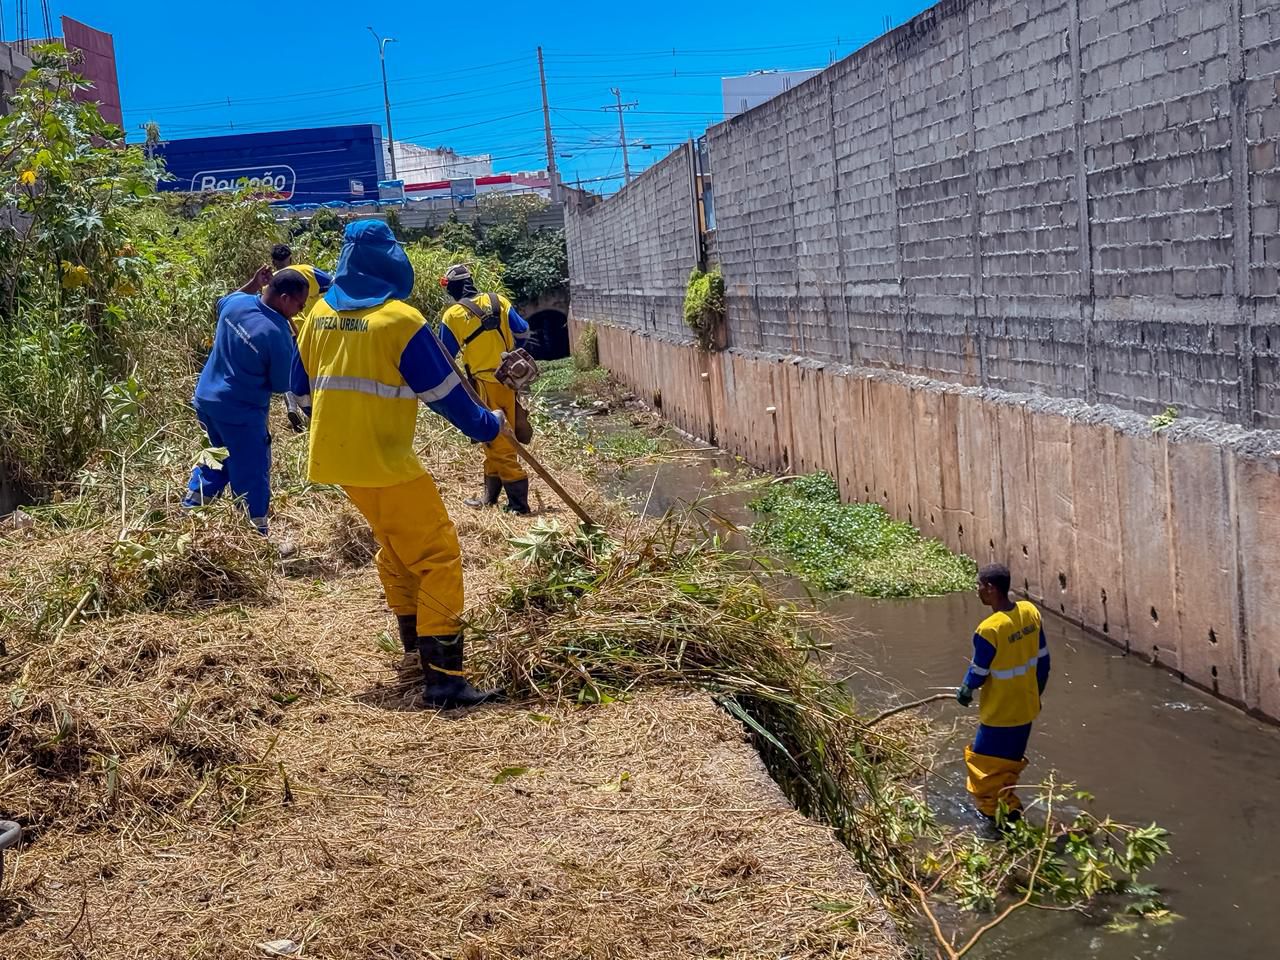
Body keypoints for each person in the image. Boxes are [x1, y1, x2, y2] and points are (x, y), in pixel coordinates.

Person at [289, 221, 504, 709]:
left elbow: (299, 391)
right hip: (385, 460)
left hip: (336, 458)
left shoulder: (319, 313)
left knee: (395, 546)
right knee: (439, 557)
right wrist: (488, 426)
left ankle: (414, 651)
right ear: (393, 262)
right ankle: (445, 680)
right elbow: (444, 393)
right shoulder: (400, 320)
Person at [183, 268, 310, 535]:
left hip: (206, 400)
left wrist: (253, 283)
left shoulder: (237, 302)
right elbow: (281, 385)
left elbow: (223, 302)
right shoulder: (277, 333)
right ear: (285, 299)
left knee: (217, 457)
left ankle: (190, 512)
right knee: (251, 472)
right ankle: (254, 539)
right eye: (299, 304)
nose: (299, 311)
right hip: (240, 412)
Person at [956, 563, 1050, 823]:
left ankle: (996, 825)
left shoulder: (989, 629)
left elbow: (978, 672)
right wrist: (1035, 695)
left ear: (990, 588)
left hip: (999, 715)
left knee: (984, 773)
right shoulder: (1030, 612)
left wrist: (965, 689)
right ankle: (1012, 815)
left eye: (979, 586)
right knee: (1008, 770)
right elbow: (1044, 662)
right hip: (1026, 711)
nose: (977, 591)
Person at [438, 263, 532, 514]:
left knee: (498, 442)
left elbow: (444, 355)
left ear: (453, 288)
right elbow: (522, 330)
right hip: (510, 380)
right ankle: (489, 498)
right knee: (492, 439)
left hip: (483, 384)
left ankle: (518, 504)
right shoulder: (497, 300)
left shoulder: (453, 315)